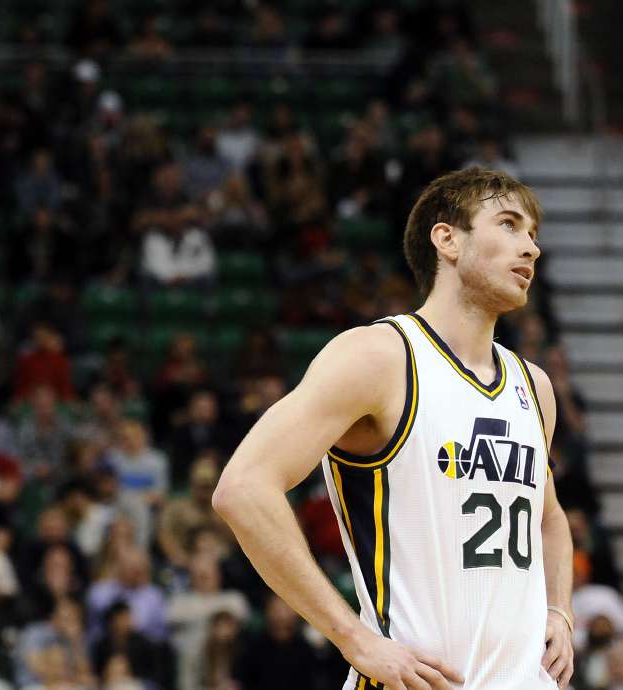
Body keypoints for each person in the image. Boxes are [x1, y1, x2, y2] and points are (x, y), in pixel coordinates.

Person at [213, 168, 574, 690]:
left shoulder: (533, 385)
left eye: (533, 234)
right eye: (509, 225)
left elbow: (550, 517)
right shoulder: (379, 357)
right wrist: (353, 639)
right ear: (447, 239)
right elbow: (243, 489)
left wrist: (559, 610)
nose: (531, 248)